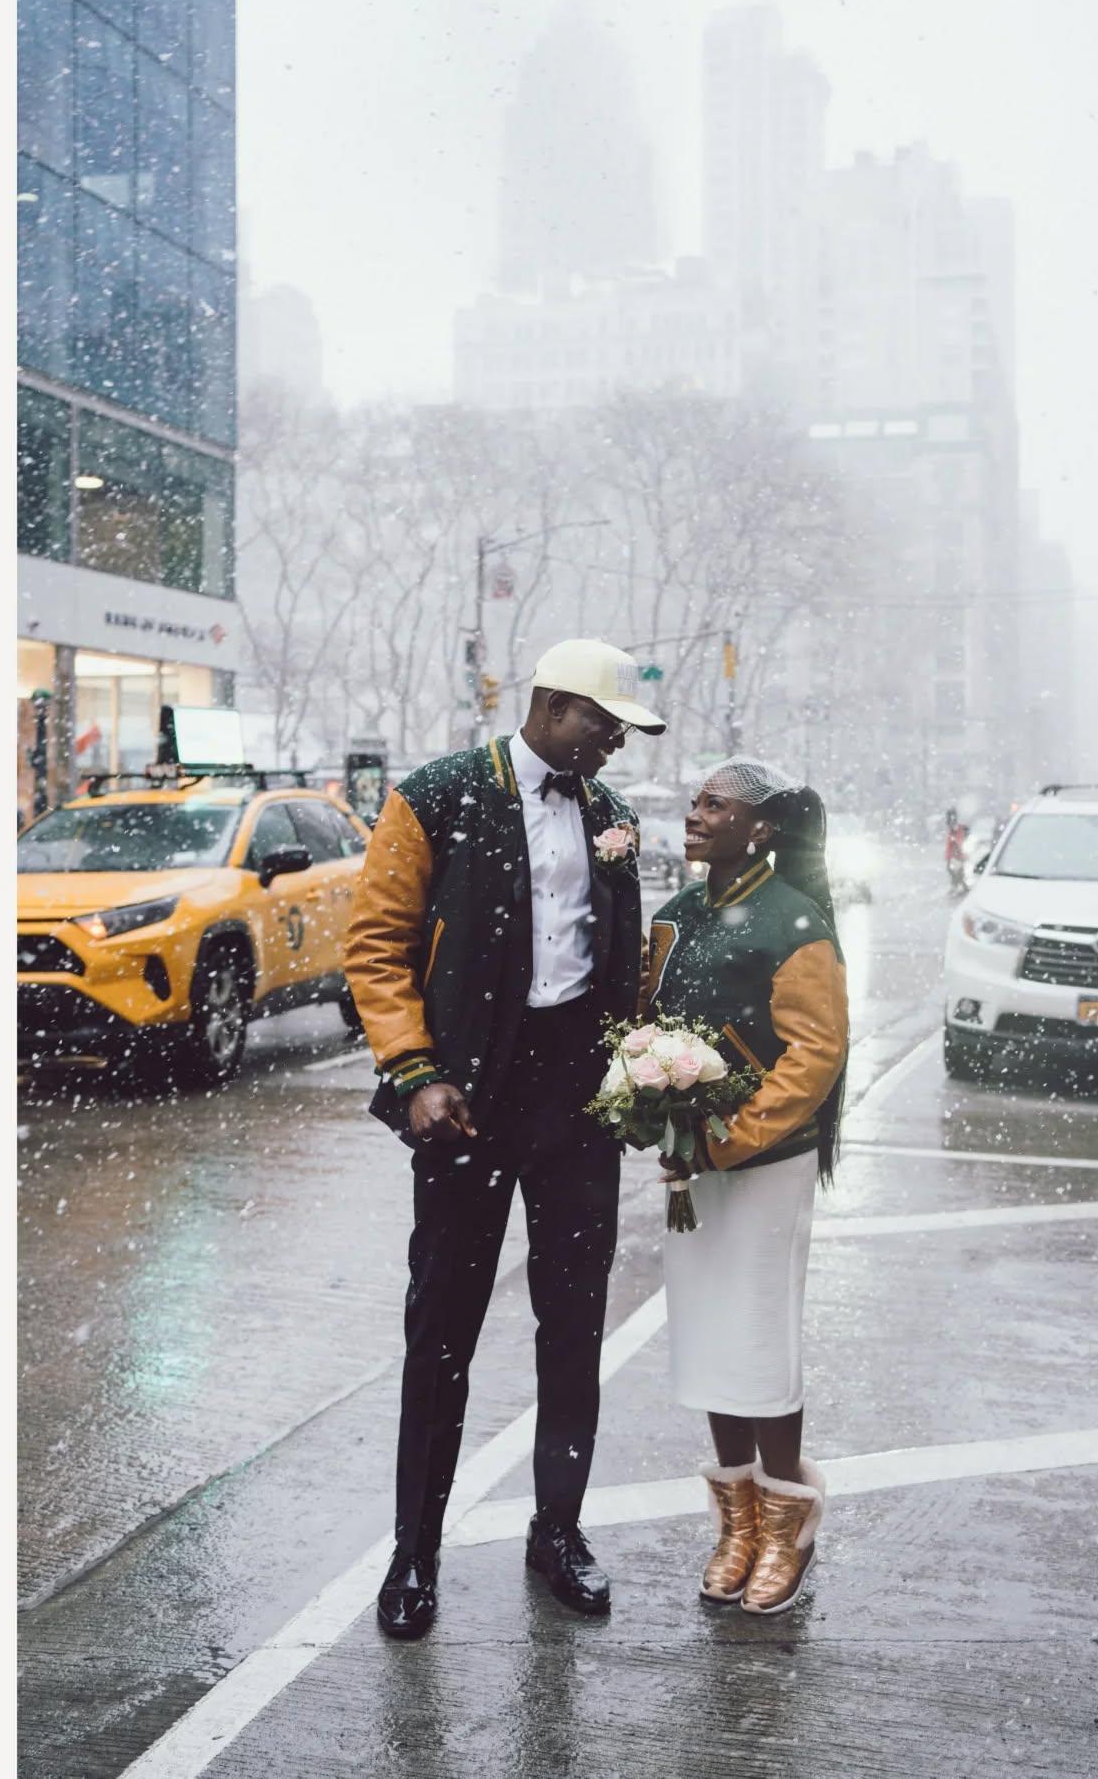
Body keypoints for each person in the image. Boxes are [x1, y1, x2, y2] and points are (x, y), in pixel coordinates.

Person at [344, 639, 665, 1640]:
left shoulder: (611, 816)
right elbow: (376, 946)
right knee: (442, 1332)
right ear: (552, 705)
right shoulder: (436, 796)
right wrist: (416, 1071)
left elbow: (618, 958)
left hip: (577, 1102)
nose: (616, 743)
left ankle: (557, 1532)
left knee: (574, 1327)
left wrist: (640, 1064)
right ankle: (415, 1552)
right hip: (470, 1100)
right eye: (605, 724)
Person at [642, 759, 849, 1616]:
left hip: (766, 1163)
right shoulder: (675, 914)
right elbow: (648, 1020)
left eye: (715, 805)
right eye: (694, 802)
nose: (695, 815)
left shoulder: (794, 920)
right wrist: (645, 1096)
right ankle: (736, 1524)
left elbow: (816, 1053)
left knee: (759, 1340)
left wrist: (729, 1136)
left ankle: (787, 1526)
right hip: (689, 1160)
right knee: (707, 1339)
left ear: (760, 828)